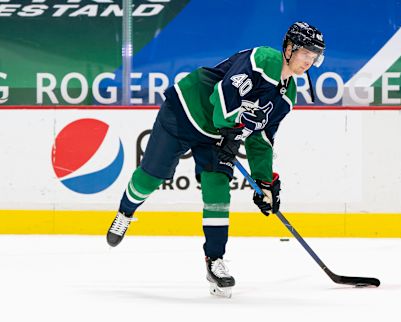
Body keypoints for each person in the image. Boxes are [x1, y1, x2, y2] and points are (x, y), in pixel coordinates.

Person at [106, 21, 325, 298]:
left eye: (314, 55)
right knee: (152, 175)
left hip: (218, 133)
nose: (310, 60)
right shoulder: (261, 60)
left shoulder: (287, 96)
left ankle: (215, 261)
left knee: (218, 187)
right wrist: (231, 134)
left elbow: (261, 139)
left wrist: (265, 181)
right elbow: (223, 94)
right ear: (290, 48)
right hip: (186, 110)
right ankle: (125, 212)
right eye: (306, 52)